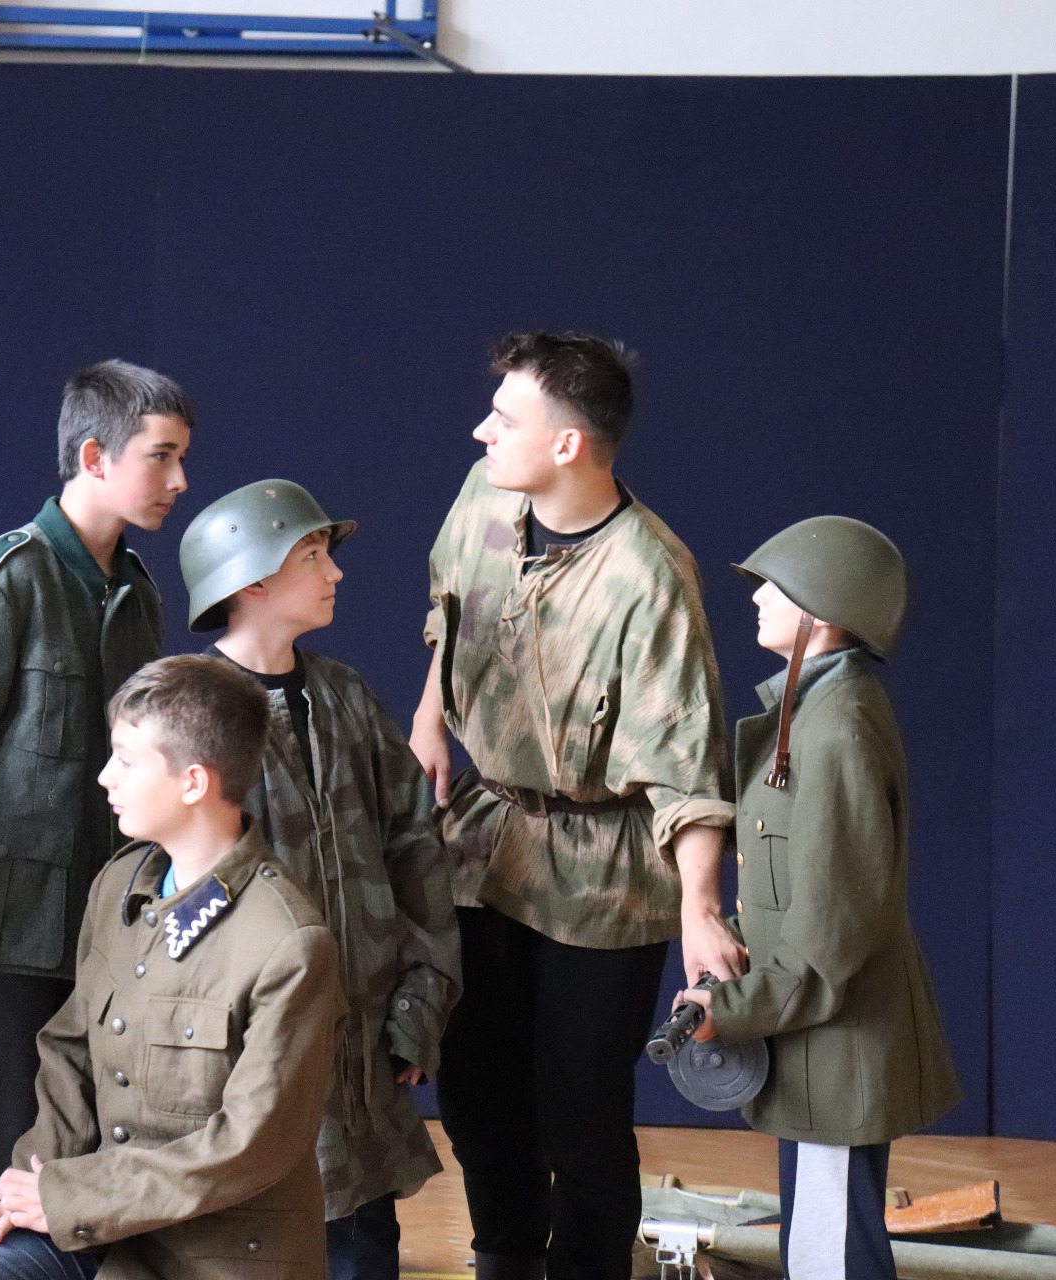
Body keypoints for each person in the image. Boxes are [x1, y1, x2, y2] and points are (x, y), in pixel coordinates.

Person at [410, 331, 742, 1280]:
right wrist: (432, 718)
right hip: (486, 843)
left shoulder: (649, 577)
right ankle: (506, 1260)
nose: (481, 433)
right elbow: (452, 616)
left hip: (603, 872)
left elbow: (687, 765)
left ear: (567, 444)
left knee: (581, 1116)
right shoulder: (485, 497)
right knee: (477, 1094)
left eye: (503, 419)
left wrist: (700, 908)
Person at [0, 361, 194, 1255]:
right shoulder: (4, 582)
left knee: (90, 1119)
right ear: (95, 457)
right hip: (5, 919)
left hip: (110, 915)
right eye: (161, 456)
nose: (179, 480)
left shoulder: (134, 591)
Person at [0, 654, 344, 1280]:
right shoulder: (119, 884)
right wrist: (35, 1188)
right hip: (91, 1229)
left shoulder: (288, 942)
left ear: (193, 783)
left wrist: (78, 1198)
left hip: (215, 1253)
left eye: (125, 759)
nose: (104, 776)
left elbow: (253, 1144)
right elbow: (70, 1051)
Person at [180, 479, 460, 1280]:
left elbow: (414, 848)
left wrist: (422, 1001)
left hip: (363, 1065)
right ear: (251, 580)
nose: (335, 572)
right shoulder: (189, 715)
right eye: (311, 555)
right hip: (250, 1072)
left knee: (364, 1249)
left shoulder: (345, 698)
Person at [677, 516, 961, 1280]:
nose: (758, 598)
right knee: (817, 1244)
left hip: (834, 1044)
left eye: (778, 587)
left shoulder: (836, 731)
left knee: (829, 1255)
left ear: (824, 614)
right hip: (815, 1039)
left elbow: (831, 937)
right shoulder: (814, 715)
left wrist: (731, 1010)